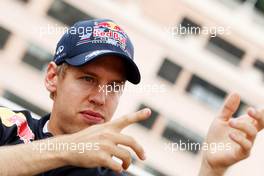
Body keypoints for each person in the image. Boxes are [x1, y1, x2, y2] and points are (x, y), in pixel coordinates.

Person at [0, 18, 262, 176]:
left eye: (114, 86)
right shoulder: (8, 125)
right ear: (53, 78)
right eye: (88, 79)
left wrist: (211, 169)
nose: (100, 98)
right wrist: (68, 148)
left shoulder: (111, 172)